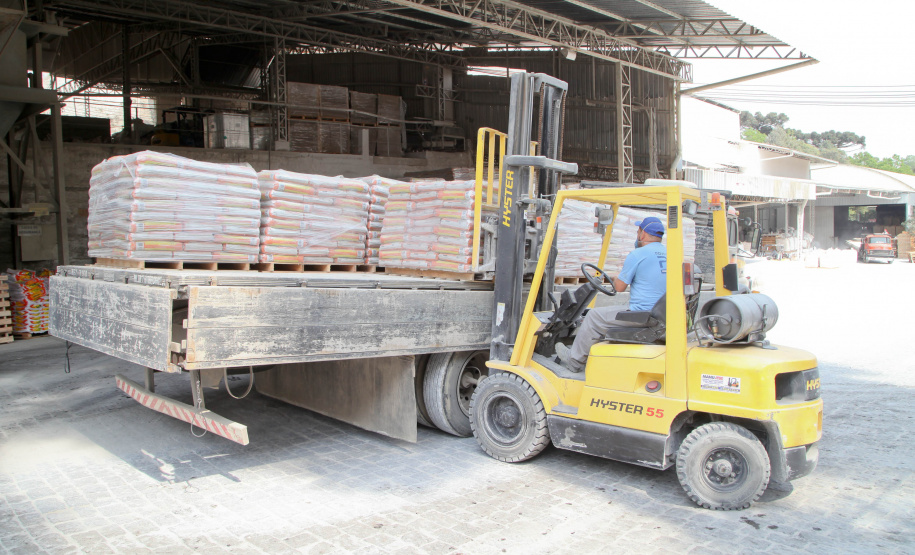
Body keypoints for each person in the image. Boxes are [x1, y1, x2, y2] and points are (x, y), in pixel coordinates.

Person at [555, 216, 667, 372]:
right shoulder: (670, 255)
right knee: (610, 313)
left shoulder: (638, 254)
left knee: (594, 317)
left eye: (638, 231)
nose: (637, 234)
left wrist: (614, 278)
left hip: (644, 316)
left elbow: (619, 288)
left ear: (643, 234)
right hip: (662, 315)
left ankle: (574, 361)